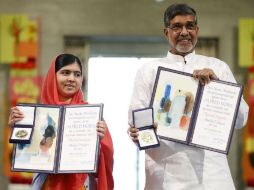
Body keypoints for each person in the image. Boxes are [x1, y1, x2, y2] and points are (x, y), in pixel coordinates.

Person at [128, 3, 249, 190]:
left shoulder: (218, 67)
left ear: (197, 30)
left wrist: (217, 88)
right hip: (164, 176)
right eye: (177, 26)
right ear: (166, 32)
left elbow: (241, 119)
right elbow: (137, 123)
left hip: (212, 176)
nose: (184, 32)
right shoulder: (149, 71)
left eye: (190, 26)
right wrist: (140, 133)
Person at [8, 53, 114, 190]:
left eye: (77, 74)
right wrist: (17, 129)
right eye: (65, 73)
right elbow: (23, 156)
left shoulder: (91, 116)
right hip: (47, 184)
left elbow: (104, 163)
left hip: (80, 185)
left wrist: (101, 141)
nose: (71, 78)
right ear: (53, 76)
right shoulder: (36, 114)